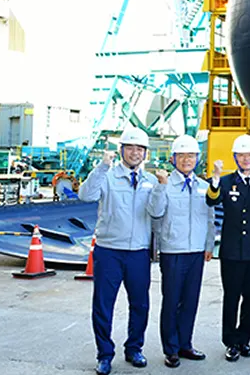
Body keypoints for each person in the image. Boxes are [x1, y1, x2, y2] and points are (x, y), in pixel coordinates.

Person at [78, 127, 157, 375]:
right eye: (130, 148)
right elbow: (85, 195)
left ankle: (134, 348)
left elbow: (158, 213)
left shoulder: (152, 181)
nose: (135, 152)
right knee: (103, 305)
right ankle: (104, 354)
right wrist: (101, 167)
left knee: (140, 304)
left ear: (145, 153)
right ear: (121, 150)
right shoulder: (108, 177)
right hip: (109, 250)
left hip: (138, 252)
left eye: (140, 149)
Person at [147, 134, 215, 368]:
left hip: (196, 251)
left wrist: (208, 245)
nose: (187, 160)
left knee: (190, 300)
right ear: (173, 158)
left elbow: (209, 218)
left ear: (197, 159)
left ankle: (185, 343)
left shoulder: (204, 186)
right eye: (182, 155)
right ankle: (171, 348)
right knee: (172, 300)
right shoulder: (164, 185)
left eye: (191, 155)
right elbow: (155, 213)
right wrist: (161, 188)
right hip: (173, 250)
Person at [206, 134, 250, 362]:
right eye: (241, 155)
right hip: (232, 250)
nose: (246, 159)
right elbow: (212, 200)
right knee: (232, 296)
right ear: (235, 157)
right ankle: (230, 341)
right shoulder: (225, 182)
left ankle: (245, 339)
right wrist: (215, 178)